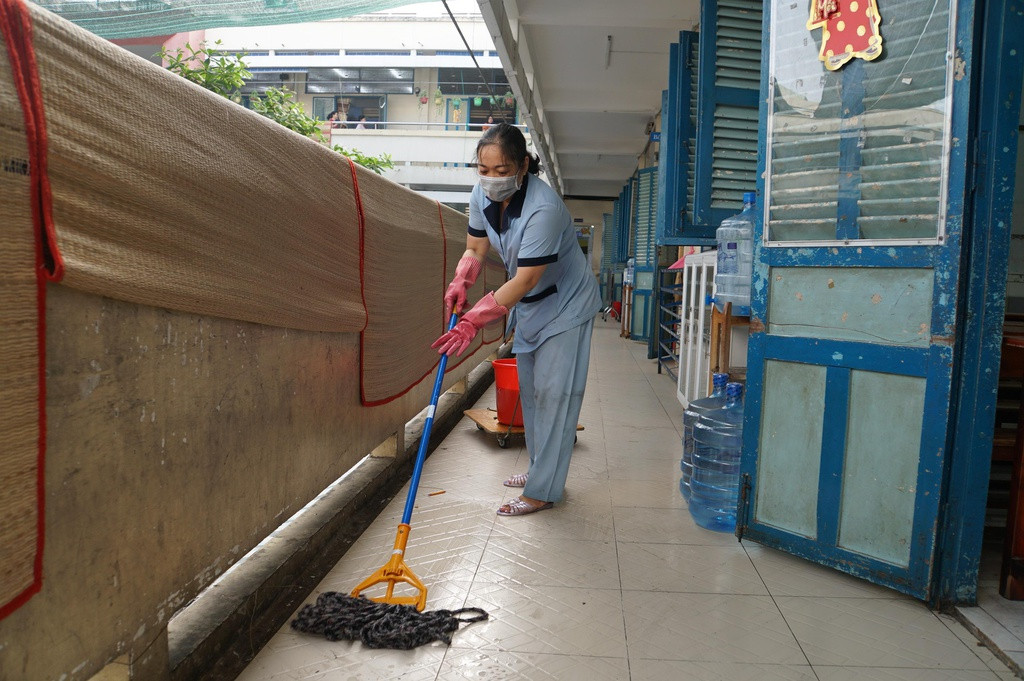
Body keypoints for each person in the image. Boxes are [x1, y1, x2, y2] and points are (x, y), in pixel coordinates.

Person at [432, 123, 601, 516]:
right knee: (531, 394)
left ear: (523, 165)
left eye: (501, 169)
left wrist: (473, 320)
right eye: (484, 169)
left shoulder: (543, 208)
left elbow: (525, 278)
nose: (491, 179)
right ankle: (538, 468)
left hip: (566, 304)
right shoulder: (480, 195)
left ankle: (542, 491)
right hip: (529, 306)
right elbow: (475, 245)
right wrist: (462, 278)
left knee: (556, 396)